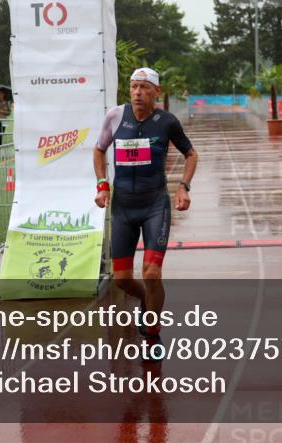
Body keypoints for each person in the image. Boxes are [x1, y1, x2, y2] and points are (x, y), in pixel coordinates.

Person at [93, 68, 198, 359]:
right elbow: (99, 150)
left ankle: (152, 337)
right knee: (123, 279)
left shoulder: (167, 122)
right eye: (134, 87)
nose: (138, 92)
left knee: (151, 273)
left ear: (156, 91)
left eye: (144, 87)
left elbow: (191, 153)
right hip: (123, 206)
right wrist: (103, 185)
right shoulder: (116, 116)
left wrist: (184, 187)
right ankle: (146, 302)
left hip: (155, 205)